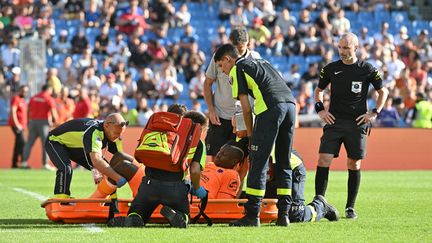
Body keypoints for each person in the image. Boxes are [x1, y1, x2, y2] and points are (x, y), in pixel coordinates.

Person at [214, 44, 297, 227]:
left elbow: (245, 108)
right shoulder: (262, 61)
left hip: (270, 108)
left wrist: (250, 136)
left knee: (257, 161)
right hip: (291, 105)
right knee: (283, 161)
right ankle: (283, 215)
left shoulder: (238, 68)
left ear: (228, 59)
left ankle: (252, 215)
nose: (222, 70)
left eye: (221, 65)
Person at [313, 32, 389, 219]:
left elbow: (383, 92)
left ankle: (350, 207)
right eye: (340, 47)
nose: (342, 51)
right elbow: (318, 91)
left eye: (346, 47)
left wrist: (374, 113)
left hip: (357, 124)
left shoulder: (367, 69)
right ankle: (319, 202)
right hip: (334, 122)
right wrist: (321, 110)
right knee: (323, 159)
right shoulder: (330, 68)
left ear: (356, 48)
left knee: (353, 163)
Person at [115, 111, 208, 228]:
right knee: (185, 216)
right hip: (175, 188)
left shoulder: (162, 133)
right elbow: (194, 170)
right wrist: (197, 188)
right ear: (201, 128)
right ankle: (178, 215)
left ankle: (134, 218)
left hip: (148, 185)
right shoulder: (198, 143)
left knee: (138, 212)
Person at [203, 27, 260, 161]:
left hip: (243, 117)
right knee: (217, 158)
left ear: (248, 43)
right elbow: (207, 84)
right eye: (236, 48)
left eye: (241, 48)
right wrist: (211, 110)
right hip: (220, 116)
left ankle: (237, 183)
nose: (238, 52)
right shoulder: (220, 57)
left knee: (242, 159)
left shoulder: (255, 59)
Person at [45, 113, 130, 198]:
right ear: (107, 125)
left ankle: (111, 200)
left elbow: (120, 157)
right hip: (55, 141)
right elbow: (96, 161)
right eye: (116, 133)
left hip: (75, 145)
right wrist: (119, 178)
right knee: (65, 168)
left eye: (121, 133)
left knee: (108, 169)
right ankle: (61, 198)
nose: (118, 137)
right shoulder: (94, 132)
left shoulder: (114, 134)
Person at [264, 150, 339, 223]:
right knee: (264, 210)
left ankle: (321, 206)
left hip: (291, 169)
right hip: (268, 173)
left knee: (295, 214)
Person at [21, 84, 58, 169]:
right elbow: (54, 113)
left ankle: (24, 162)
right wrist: (55, 122)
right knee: (45, 143)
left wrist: (28, 121)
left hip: (33, 122)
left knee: (29, 143)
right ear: (49, 89)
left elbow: (28, 110)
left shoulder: (34, 97)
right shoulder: (49, 98)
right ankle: (45, 164)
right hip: (43, 123)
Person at [8, 85, 29, 168]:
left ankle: (14, 163)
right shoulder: (16, 98)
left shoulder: (23, 100)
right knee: (23, 143)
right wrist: (17, 124)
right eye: (23, 91)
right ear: (20, 90)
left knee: (18, 144)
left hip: (22, 126)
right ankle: (23, 162)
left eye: (26, 91)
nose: (25, 93)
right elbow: (13, 111)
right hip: (16, 125)